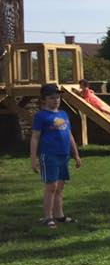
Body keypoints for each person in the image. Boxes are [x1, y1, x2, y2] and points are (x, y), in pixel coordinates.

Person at [30, 83, 82, 228]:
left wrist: (76, 154)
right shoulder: (41, 116)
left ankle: (59, 215)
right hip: (49, 155)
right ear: (43, 100)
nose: (56, 100)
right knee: (51, 186)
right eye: (52, 98)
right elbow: (35, 137)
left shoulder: (63, 114)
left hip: (64, 155)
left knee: (60, 186)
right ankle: (48, 217)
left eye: (58, 97)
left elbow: (69, 135)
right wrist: (33, 159)